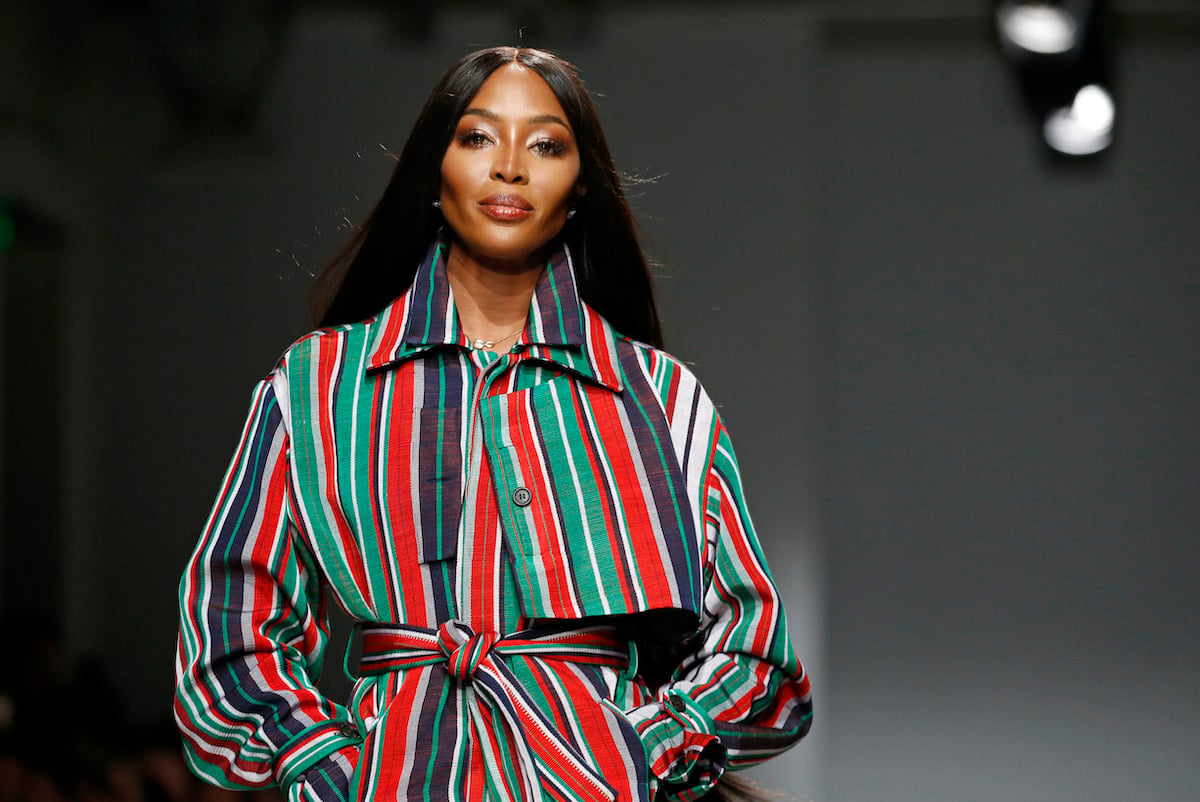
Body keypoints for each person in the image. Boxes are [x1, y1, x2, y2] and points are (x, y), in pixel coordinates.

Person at [174, 46, 812, 802]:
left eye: (546, 145)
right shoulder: (321, 388)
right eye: (478, 137)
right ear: (431, 174)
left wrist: (643, 756)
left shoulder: (656, 395)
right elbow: (229, 628)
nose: (509, 166)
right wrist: (330, 768)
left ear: (578, 191)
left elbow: (760, 657)